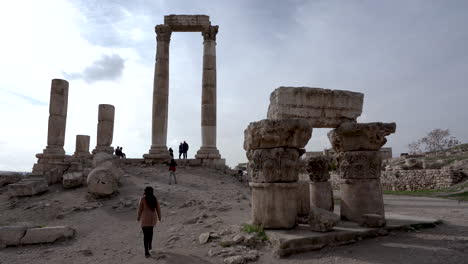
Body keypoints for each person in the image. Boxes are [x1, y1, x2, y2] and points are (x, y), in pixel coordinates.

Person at [137, 186, 161, 258]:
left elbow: (140, 209)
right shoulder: (154, 198)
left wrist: (138, 217)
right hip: (152, 218)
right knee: (150, 232)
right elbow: (158, 208)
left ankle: (146, 252)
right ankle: (150, 245)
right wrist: (159, 217)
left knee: (145, 235)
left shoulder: (143, 199)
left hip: (145, 219)